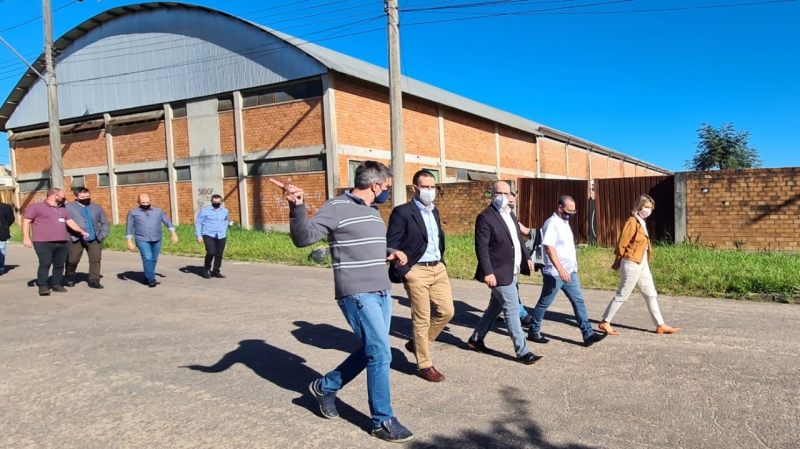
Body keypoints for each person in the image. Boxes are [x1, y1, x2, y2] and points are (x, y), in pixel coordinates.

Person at [269, 161, 414, 443]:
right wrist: (297, 206)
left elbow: (365, 243)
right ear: (375, 185)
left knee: (370, 350)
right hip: (357, 293)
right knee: (382, 353)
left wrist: (391, 251)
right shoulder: (336, 207)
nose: (386, 192)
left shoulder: (372, 211)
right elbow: (304, 238)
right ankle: (382, 421)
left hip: (382, 291)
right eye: (386, 187)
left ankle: (326, 387)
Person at [386, 170, 454, 383]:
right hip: (417, 271)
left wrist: (441, 262)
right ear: (414, 189)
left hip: (438, 268)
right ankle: (425, 364)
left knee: (447, 311)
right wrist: (407, 271)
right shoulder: (403, 212)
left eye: (432, 187)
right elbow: (391, 243)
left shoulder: (434, 211)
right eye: (425, 187)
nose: (429, 191)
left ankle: (417, 343)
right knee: (422, 318)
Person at [468, 180, 543, 365]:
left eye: (507, 193)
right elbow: (482, 248)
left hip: (512, 270)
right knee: (512, 310)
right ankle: (523, 351)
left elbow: (517, 239)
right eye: (499, 193)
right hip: (498, 272)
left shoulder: (510, 214)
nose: (504, 197)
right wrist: (488, 272)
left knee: (495, 308)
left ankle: (476, 339)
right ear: (492, 194)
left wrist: (527, 258)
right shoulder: (485, 217)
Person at [528, 195, 606, 347]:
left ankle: (588, 334)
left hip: (569, 271)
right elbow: (549, 248)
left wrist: (569, 269)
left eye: (573, 211)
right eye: (568, 210)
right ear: (559, 208)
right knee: (544, 303)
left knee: (578, 301)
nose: (571, 213)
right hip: (555, 274)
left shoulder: (564, 223)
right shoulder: (551, 223)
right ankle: (533, 331)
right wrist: (561, 269)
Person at [598, 195, 681, 335]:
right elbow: (622, 243)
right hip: (631, 262)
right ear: (639, 206)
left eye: (651, 208)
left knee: (650, 294)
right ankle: (605, 322)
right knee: (623, 294)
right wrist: (617, 260)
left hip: (642, 263)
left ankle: (660, 325)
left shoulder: (642, 222)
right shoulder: (633, 221)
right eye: (647, 207)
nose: (649, 210)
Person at [21, 188, 89, 296]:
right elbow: (26, 221)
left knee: (59, 264)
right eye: (63, 196)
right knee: (45, 263)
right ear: (55, 196)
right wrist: (26, 237)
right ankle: (43, 286)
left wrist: (81, 231)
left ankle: (56, 284)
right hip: (43, 242)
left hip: (62, 241)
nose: (64, 199)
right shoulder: (36, 207)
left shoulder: (62, 209)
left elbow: (70, 222)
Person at [125, 194, 178, 288]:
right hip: (142, 239)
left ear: (151, 201)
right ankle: (151, 279)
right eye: (143, 202)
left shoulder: (158, 211)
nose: (145, 204)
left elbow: (167, 221)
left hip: (157, 238)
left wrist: (173, 233)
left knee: (153, 259)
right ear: (138, 202)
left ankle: (148, 275)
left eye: (147, 202)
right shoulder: (133, 213)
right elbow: (129, 227)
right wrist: (129, 241)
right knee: (147, 257)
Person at [65, 188, 110, 289]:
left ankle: (94, 280)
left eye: (88, 197)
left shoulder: (97, 207)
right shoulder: (68, 207)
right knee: (72, 260)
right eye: (83, 197)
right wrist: (67, 236)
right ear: (76, 197)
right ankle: (69, 277)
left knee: (95, 259)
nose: (86, 199)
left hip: (95, 238)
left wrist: (103, 234)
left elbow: (105, 222)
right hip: (76, 238)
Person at [195, 194, 230, 279]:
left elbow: (226, 220)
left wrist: (224, 229)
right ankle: (207, 269)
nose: (216, 203)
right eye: (214, 202)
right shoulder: (204, 211)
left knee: (219, 254)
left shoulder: (225, 211)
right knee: (211, 252)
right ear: (211, 201)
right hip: (208, 234)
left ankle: (216, 270)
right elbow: (198, 223)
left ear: (221, 202)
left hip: (221, 235)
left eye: (218, 202)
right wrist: (199, 236)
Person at [0, 199, 14, 275]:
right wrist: (4, 225)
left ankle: (0, 268)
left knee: (1, 249)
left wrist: (4, 226)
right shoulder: (5, 207)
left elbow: (11, 219)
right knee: (1, 250)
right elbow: (10, 219)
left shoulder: (5, 207)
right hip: (2, 230)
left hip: (1, 232)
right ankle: (0, 267)